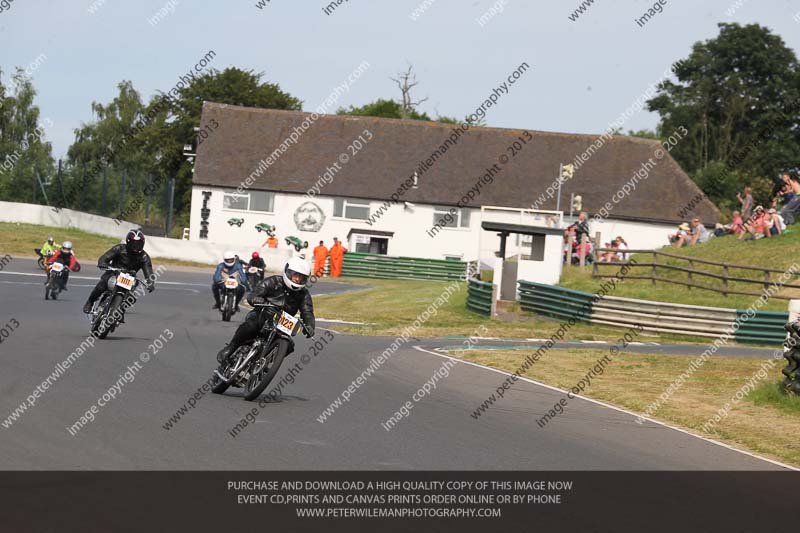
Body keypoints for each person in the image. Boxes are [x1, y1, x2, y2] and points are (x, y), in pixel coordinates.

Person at [215, 256, 315, 365]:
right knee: (251, 325)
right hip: (262, 315)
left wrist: (310, 325)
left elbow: (307, 312)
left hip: (281, 324)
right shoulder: (273, 281)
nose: (297, 279)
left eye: (301, 277)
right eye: (296, 275)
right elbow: (254, 293)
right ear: (288, 272)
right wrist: (257, 299)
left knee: (289, 346)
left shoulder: (304, 294)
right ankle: (231, 348)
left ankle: (265, 363)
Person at [83, 229, 155, 314]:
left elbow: (149, 271)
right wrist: (103, 264)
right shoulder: (119, 248)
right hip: (113, 273)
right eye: (134, 243)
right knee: (101, 286)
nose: (136, 246)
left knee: (131, 298)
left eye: (139, 243)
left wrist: (150, 283)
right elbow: (104, 258)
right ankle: (90, 302)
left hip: (130, 278)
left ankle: (120, 313)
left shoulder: (144, 257)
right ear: (128, 242)